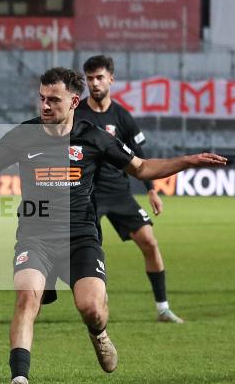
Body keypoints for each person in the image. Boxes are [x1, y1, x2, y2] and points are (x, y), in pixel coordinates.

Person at [0, 67, 227, 384]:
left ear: (74, 102)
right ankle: (19, 381)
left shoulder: (96, 137)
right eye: (41, 98)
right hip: (35, 236)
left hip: (81, 238)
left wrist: (187, 161)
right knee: (27, 297)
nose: (45, 105)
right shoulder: (22, 135)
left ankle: (99, 332)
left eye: (53, 100)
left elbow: (141, 168)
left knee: (91, 308)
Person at [76, 55, 183, 323]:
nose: (94, 83)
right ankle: (94, 302)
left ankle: (162, 308)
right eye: (89, 78)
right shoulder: (77, 116)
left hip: (120, 192)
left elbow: (140, 155)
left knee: (149, 242)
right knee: (88, 251)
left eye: (99, 77)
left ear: (111, 79)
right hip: (88, 194)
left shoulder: (122, 116)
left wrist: (151, 190)